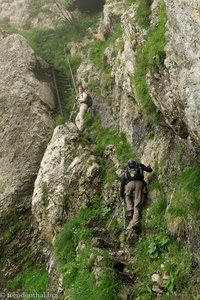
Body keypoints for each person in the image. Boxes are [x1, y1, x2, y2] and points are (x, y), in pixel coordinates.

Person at [120, 160, 152, 231]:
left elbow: (122, 183)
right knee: (137, 204)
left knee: (127, 196)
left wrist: (121, 194)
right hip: (139, 184)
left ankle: (130, 210)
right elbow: (149, 170)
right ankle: (135, 223)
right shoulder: (139, 165)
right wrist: (149, 166)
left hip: (129, 184)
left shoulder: (127, 169)